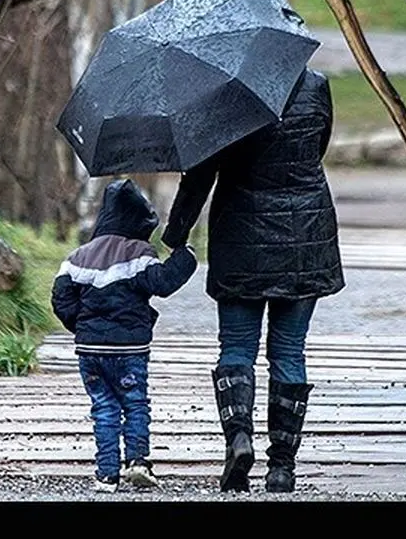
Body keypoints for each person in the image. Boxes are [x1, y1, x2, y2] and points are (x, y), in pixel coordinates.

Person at [161, 66, 344, 494]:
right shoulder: (317, 85)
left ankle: (238, 439)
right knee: (289, 350)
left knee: (237, 347)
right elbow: (318, 147)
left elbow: (201, 175)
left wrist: (176, 233)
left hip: (241, 239)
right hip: (306, 235)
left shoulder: (224, 98)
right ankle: (282, 467)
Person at [51, 177, 197, 493]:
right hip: (129, 349)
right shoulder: (138, 253)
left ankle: (106, 475)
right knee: (134, 403)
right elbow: (162, 283)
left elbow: (61, 297)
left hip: (90, 350)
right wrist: (186, 256)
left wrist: (82, 325)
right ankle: (137, 462)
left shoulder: (78, 256)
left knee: (103, 407)